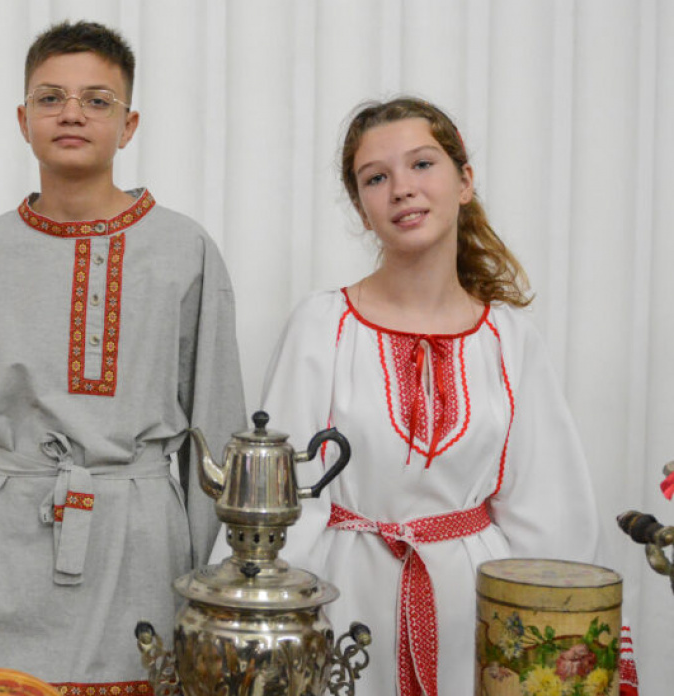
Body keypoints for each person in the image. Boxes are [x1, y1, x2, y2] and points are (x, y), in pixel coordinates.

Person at [210, 97, 635, 695]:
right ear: (361, 209)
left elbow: (550, 514)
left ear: (464, 182)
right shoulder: (323, 325)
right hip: (343, 606)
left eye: (422, 164)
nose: (402, 188)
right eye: (376, 178)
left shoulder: (509, 339)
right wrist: (251, 640)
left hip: (477, 615)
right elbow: (281, 503)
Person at [0, 21, 245, 691]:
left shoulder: (185, 249)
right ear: (23, 120)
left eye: (97, 100)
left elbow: (216, 433)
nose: (71, 113)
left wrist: (209, 597)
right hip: (1, 549)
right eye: (50, 98)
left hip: (140, 552)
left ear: (128, 126)